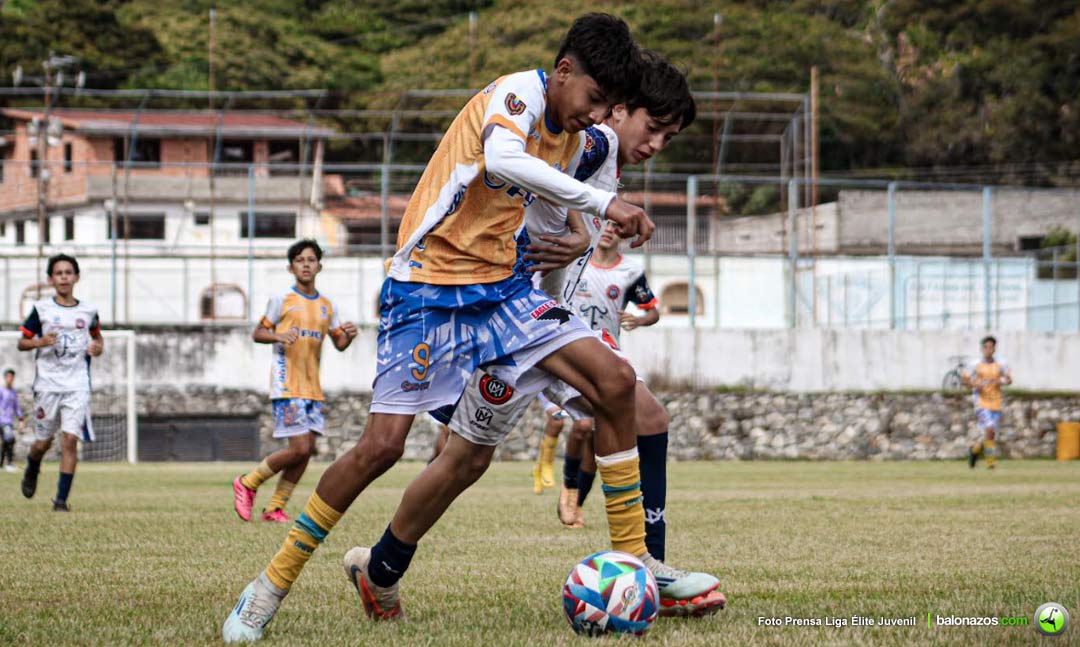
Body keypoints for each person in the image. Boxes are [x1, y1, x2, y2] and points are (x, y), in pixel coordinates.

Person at [224, 13, 673, 642]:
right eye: (593, 99)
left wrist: (575, 234)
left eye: (609, 108)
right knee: (381, 449)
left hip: (503, 295)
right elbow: (505, 158)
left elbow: (579, 180)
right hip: (425, 292)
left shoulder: (583, 138)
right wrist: (599, 207)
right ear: (564, 72)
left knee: (616, 382)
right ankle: (268, 587)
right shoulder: (516, 93)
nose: (594, 116)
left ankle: (636, 567)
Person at [447, 51, 724, 616]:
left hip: (553, 327)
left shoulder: (604, 157)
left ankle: (650, 573)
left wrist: (578, 232)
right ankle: (380, 562)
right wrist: (578, 229)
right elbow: (526, 178)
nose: (656, 146)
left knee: (646, 414)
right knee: (460, 463)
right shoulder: (593, 142)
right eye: (653, 129)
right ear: (619, 110)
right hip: (513, 324)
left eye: (669, 138)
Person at [232, 239, 358, 523]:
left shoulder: (328, 305)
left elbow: (339, 343)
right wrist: (278, 335)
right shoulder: (282, 300)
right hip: (286, 383)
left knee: (306, 451)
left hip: (313, 387)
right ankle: (248, 482)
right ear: (291, 268)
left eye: (311, 260)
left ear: (319, 266)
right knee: (299, 447)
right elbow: (257, 333)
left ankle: (275, 508)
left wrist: (348, 334)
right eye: (300, 260)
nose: (305, 265)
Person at [557, 220, 660, 527]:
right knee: (584, 425)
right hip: (568, 351)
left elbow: (653, 310)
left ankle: (575, 503)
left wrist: (638, 319)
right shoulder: (576, 262)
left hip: (607, 355)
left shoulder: (629, 272)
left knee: (597, 431)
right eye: (605, 223)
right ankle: (568, 489)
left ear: (624, 234)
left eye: (617, 226)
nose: (609, 230)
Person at [17, 254, 103, 511]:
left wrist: (97, 348)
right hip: (47, 385)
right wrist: (38, 342)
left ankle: (61, 501)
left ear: (76, 277)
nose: (64, 277)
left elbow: (98, 339)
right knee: (43, 442)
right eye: (59, 273)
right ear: (50, 279)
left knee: (69, 440)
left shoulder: (88, 311)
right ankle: (33, 466)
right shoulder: (42, 309)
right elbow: (22, 342)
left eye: (68, 272)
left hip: (77, 384)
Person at [963, 336, 1012, 469]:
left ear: (994, 349)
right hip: (981, 403)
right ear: (982, 349)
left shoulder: (1001, 364)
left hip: (996, 402)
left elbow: (1008, 379)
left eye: (991, 347)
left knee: (990, 435)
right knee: (989, 429)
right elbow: (965, 380)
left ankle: (974, 451)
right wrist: (975, 384)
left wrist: (1001, 381)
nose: (988, 350)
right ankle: (990, 463)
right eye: (986, 347)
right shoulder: (975, 364)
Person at [530, 394, 568, 494]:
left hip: (570, 385)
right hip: (548, 383)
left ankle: (538, 469)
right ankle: (547, 464)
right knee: (557, 419)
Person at [0, 369, 25, 472]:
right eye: (8, 377)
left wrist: (21, 420)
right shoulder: (1, 391)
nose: (10, 379)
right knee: (10, 439)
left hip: (8, 421)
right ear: (5, 378)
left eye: (11, 377)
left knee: (7, 441)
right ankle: (9, 464)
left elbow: (16, 407)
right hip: (2, 420)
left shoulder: (13, 392)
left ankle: (2, 465)